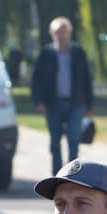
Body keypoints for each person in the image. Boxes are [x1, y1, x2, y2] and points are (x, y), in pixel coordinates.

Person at [31, 17, 93, 175]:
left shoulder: (77, 53)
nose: (61, 35)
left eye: (64, 32)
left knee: (74, 139)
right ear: (52, 34)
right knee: (55, 141)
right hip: (53, 103)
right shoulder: (47, 53)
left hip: (75, 103)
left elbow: (86, 78)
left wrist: (89, 104)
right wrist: (38, 101)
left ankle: (72, 174)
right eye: (58, 32)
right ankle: (56, 173)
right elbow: (36, 79)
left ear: (69, 33)